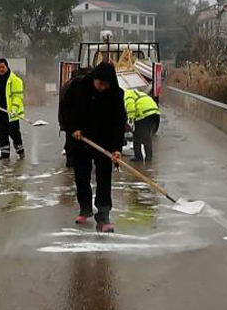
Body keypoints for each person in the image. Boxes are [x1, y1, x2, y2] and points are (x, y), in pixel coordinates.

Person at [59, 61, 126, 233]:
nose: (102, 87)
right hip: (82, 140)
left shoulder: (116, 95)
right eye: (100, 83)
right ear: (94, 78)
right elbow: (65, 108)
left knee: (104, 178)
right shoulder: (79, 87)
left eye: (106, 84)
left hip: (103, 142)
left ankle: (103, 217)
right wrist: (72, 128)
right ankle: (85, 207)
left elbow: (119, 122)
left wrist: (117, 148)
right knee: (81, 176)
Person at [124, 89, 160, 162]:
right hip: (154, 113)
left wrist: (130, 119)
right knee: (137, 135)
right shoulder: (136, 93)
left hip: (145, 114)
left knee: (144, 136)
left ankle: (147, 157)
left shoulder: (126, 94)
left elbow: (130, 106)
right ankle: (139, 156)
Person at [58, 69, 79, 168]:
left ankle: (70, 164)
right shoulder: (74, 86)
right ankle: (71, 164)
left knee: (70, 140)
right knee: (73, 143)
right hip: (71, 121)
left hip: (66, 120)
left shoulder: (66, 85)